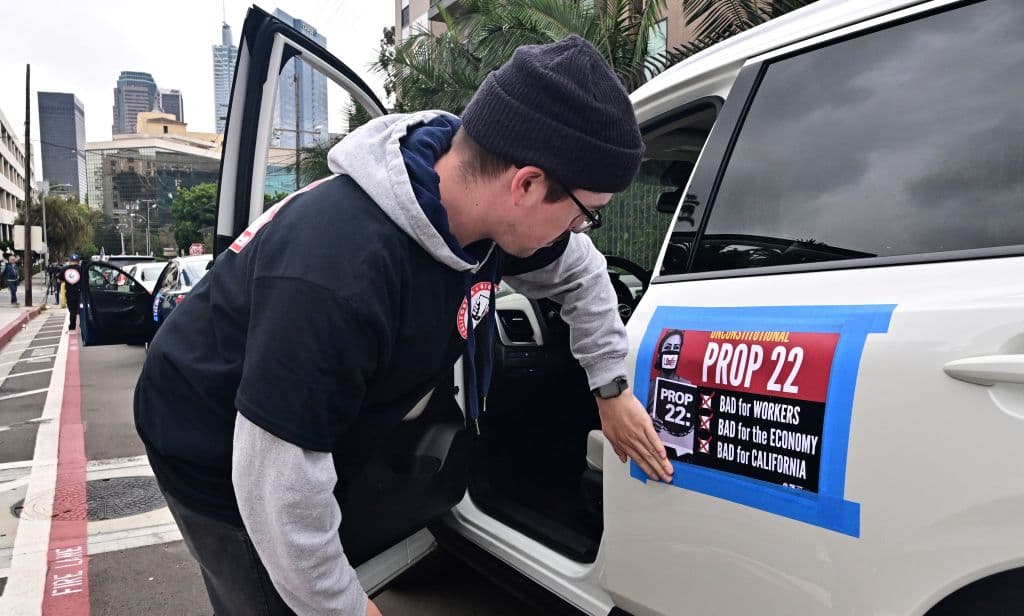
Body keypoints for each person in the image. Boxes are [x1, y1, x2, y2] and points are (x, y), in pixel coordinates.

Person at [134, 35, 673, 616]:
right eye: (583, 212)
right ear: (527, 184)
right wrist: (341, 605)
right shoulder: (340, 274)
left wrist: (610, 388)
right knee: (270, 595)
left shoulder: (486, 221)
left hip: (301, 435)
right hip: (210, 443)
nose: (578, 229)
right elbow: (278, 488)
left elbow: (583, 273)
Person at [60, 254, 83, 330]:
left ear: (69, 261)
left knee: (72, 311)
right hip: (80, 292)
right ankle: (82, 325)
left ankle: (72, 326)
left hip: (70, 293)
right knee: (82, 310)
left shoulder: (64, 269)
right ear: (78, 261)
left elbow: (60, 279)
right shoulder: (81, 269)